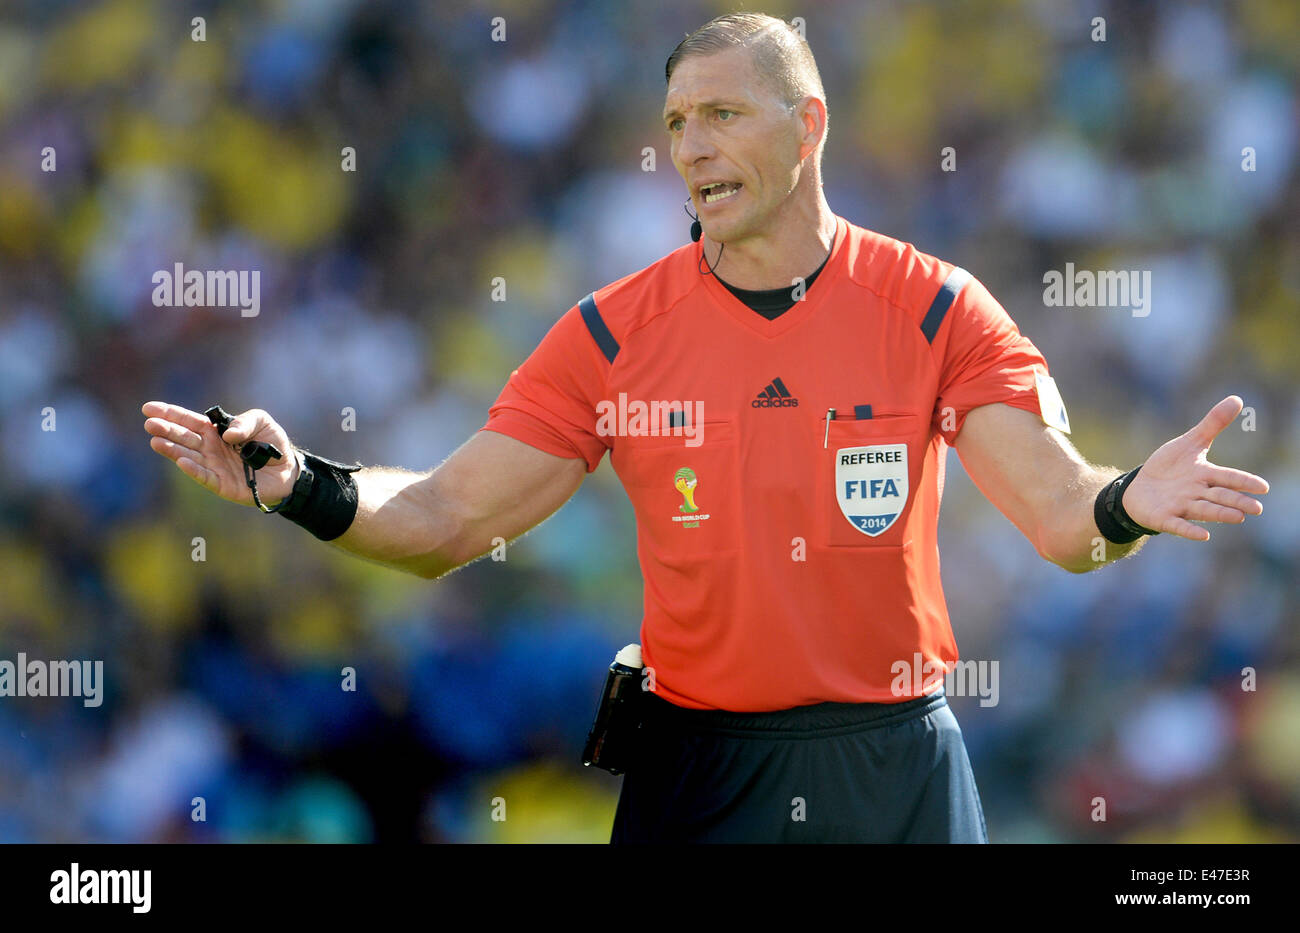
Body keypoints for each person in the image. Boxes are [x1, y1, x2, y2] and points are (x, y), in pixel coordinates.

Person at [142, 13, 1269, 843]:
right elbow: (444, 517)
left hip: (895, 770)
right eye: (677, 123)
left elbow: (1061, 518)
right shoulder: (609, 333)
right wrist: (305, 487)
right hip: (697, 771)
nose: (691, 146)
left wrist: (1128, 503)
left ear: (808, 123)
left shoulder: (934, 307)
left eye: (722, 114)